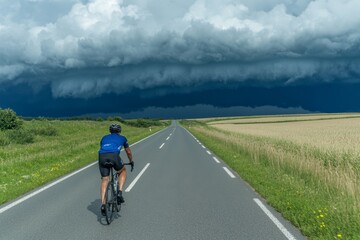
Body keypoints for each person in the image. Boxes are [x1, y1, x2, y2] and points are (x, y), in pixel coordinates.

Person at [98, 123, 133, 216]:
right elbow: (128, 152)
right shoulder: (123, 138)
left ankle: (103, 204)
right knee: (123, 171)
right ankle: (120, 192)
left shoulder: (104, 137)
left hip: (102, 157)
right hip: (114, 156)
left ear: (110, 131)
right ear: (119, 131)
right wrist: (131, 161)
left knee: (105, 179)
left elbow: (102, 147)